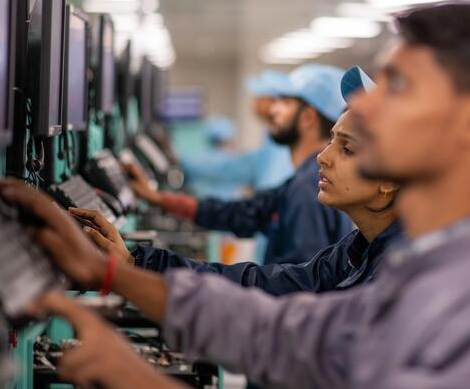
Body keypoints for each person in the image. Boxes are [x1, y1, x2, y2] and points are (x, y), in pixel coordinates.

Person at [11, 3, 470, 389]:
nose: (366, 106)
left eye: (399, 86)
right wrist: (110, 271)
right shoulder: (406, 267)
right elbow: (279, 326)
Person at [70, 68, 401, 297]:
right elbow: (267, 279)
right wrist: (137, 263)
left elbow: (297, 318)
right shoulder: (356, 251)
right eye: (331, 141)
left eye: (347, 148)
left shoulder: (402, 279)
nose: (322, 157)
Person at [127, 64, 354, 265]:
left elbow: (296, 292)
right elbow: (242, 213)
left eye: (284, 102)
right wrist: (158, 199)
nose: (273, 109)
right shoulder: (300, 182)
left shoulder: (308, 189)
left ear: (308, 118)